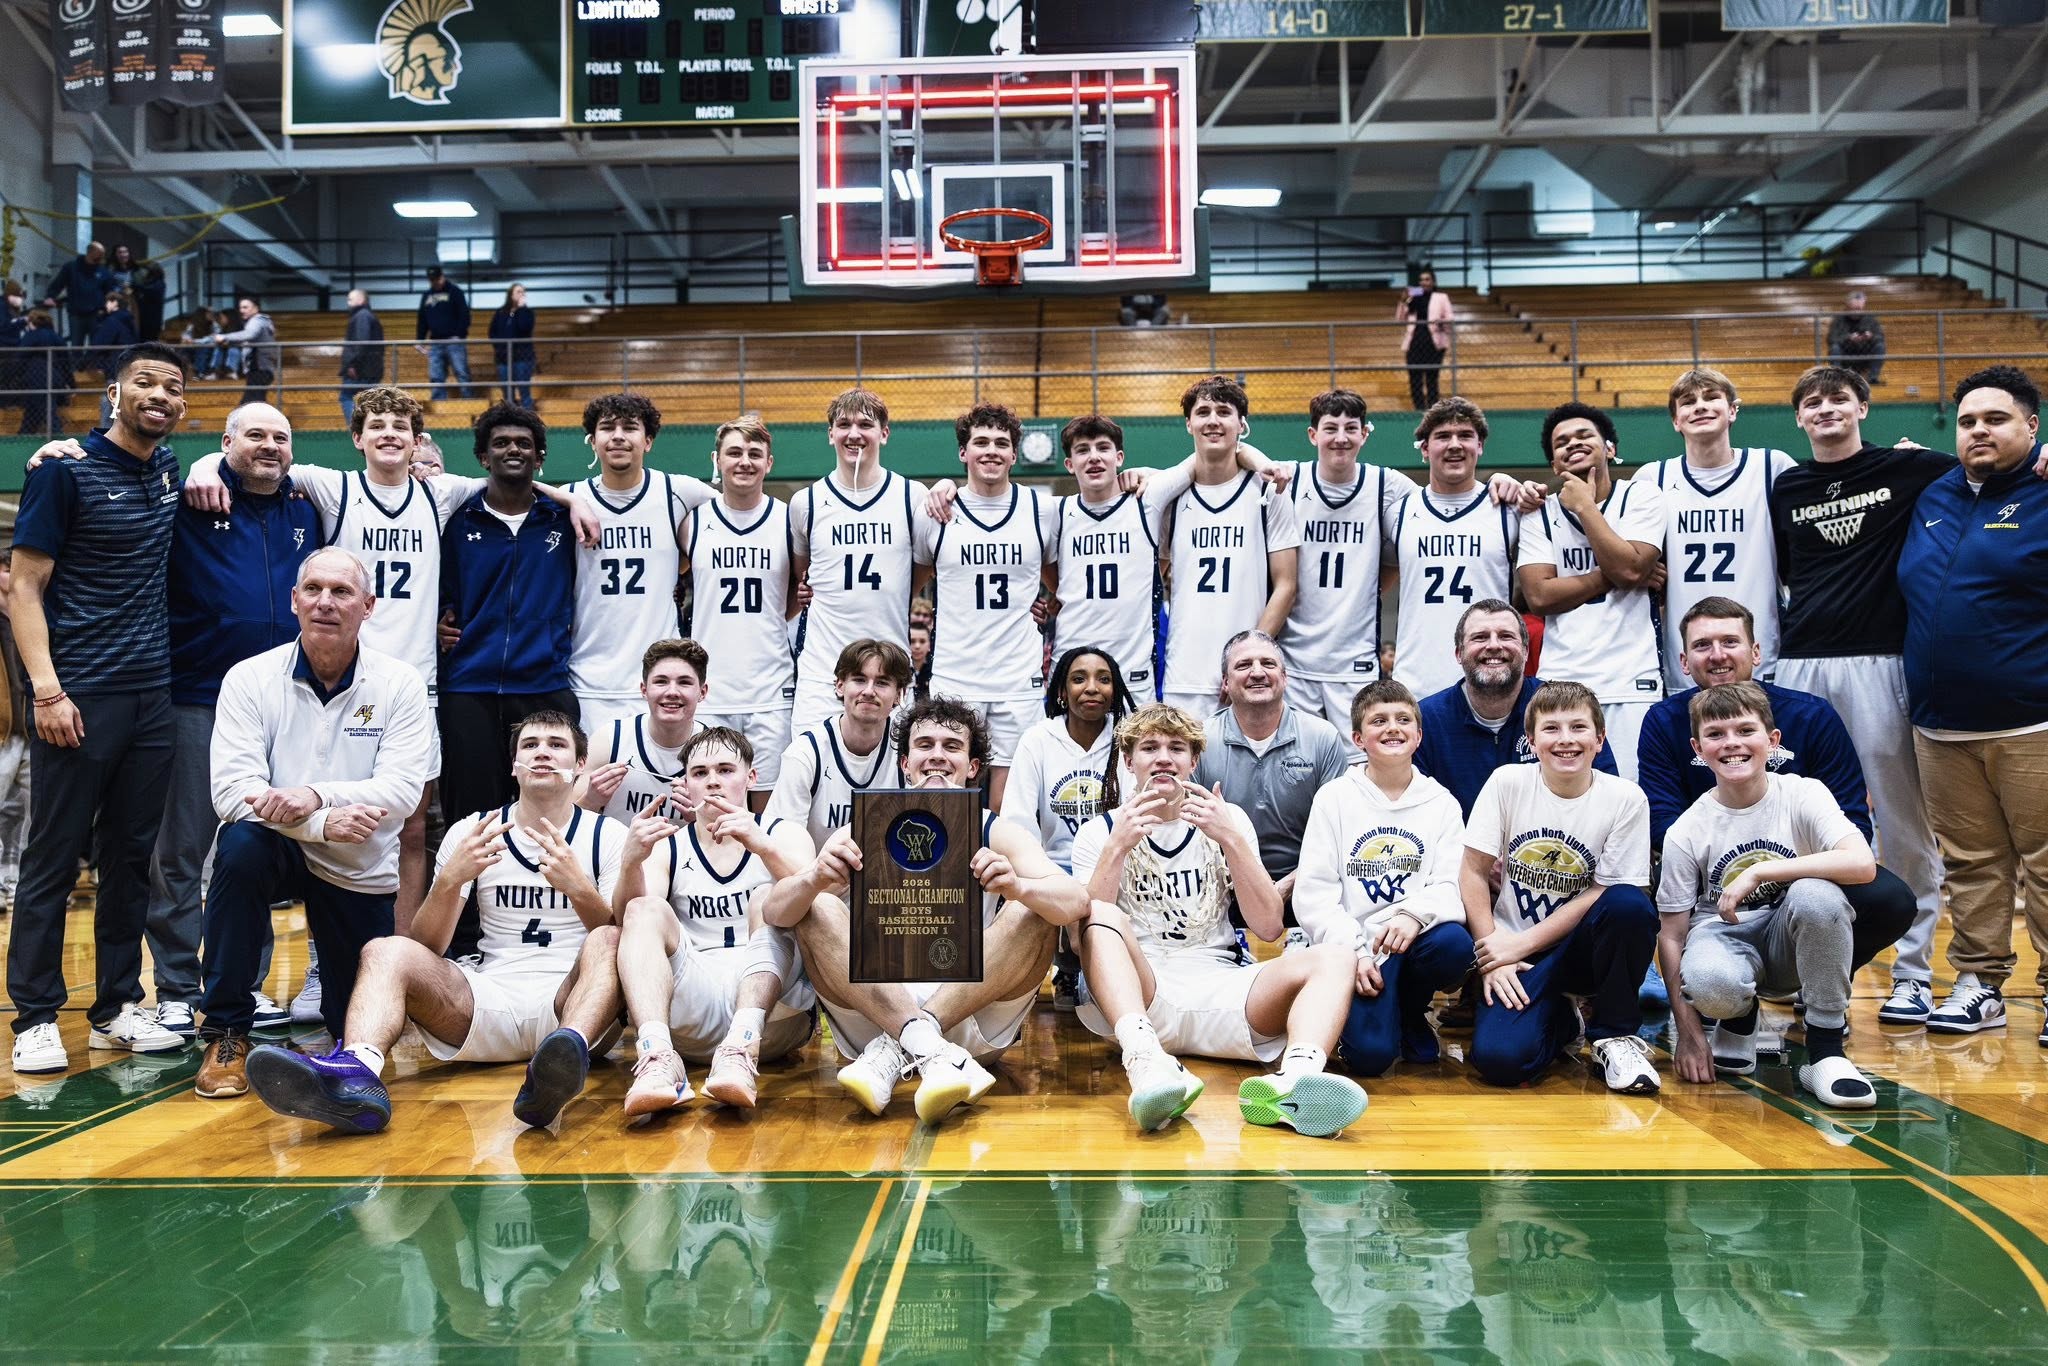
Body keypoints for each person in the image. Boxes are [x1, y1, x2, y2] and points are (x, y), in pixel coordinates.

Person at [242, 711, 626, 1133]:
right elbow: (427, 947)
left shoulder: (609, 836)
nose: (542, 754)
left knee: (612, 938)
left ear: (580, 764)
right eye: (530, 745)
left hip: (573, 1007)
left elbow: (618, 941)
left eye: (557, 745)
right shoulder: (473, 831)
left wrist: (578, 888)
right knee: (385, 950)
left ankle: (556, 1069)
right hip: (489, 999)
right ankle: (357, 1074)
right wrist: (449, 880)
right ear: (513, 764)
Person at [760, 697, 1090, 1124]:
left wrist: (1019, 887)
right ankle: (924, 1043)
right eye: (925, 744)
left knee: (1036, 909)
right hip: (875, 1010)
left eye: (952, 746)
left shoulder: (994, 829)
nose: (937, 755)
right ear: (905, 762)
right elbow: (776, 912)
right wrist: (815, 880)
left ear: (973, 767)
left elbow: (1076, 901)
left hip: (971, 1013)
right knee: (814, 903)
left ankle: (911, 1038)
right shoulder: (862, 826)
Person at [189, 549, 434, 1098]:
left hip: (358, 861)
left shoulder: (399, 684)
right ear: (296, 600)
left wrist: (314, 794)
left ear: (368, 607)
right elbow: (230, 792)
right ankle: (227, 1032)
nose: (326, 602)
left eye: (342, 592)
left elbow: (401, 790)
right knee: (240, 847)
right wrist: (321, 823)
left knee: (355, 1022)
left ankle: (346, 1042)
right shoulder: (250, 678)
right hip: (284, 843)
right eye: (314, 589)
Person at [7, 342, 189, 1074]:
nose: (160, 395)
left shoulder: (172, 470)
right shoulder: (62, 471)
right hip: (77, 696)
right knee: (53, 856)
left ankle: (116, 1006)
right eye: (145, 382)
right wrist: (47, 691)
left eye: (173, 388)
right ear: (115, 394)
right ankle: (36, 1017)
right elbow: (22, 589)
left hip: (152, 696)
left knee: (130, 859)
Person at [1071, 702, 1369, 1137]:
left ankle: (1296, 1082)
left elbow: (1268, 926)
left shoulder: (1229, 820)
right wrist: (1117, 848)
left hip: (1225, 989)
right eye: (1149, 747)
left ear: (1193, 761)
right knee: (1098, 913)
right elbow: (1085, 941)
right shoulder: (1100, 831)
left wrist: (1229, 836)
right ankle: (1146, 1067)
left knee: (1337, 957)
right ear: (1129, 760)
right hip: (1144, 995)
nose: (1163, 758)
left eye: (1177, 748)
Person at [1772, 364, 1953, 1026]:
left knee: (1903, 824)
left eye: (1837, 400)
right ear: (1799, 418)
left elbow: (1989, 469)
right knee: (1793, 822)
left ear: (1862, 408)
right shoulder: (1788, 486)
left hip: (1880, 662)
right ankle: (1808, 971)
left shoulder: (1910, 470)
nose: (1825, 410)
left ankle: (1912, 973)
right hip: (1800, 666)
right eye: (1812, 401)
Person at [148, 404, 321, 1038]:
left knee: (253, 847)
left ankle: (243, 986)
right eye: (256, 435)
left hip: (282, 704)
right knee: (183, 849)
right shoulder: (191, 496)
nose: (270, 446)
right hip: (198, 695)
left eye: (282, 435)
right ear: (226, 443)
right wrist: (53, 451)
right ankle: (173, 986)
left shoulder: (308, 505)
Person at [1899, 365, 2048, 1038]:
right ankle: (1980, 983)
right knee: (1971, 864)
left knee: (2045, 859)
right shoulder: (1933, 494)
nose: (1979, 430)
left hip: (2032, 719)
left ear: (2032, 427)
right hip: (1939, 726)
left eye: (1996, 419)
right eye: (1967, 421)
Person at [1657, 682, 1879, 1107]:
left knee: (1817, 894)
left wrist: (1761, 871)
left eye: (1745, 731)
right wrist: (1687, 1034)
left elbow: (1862, 863)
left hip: (1791, 940)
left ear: (1772, 741)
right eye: (1716, 734)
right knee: (1709, 982)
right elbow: (1671, 935)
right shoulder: (1686, 828)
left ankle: (1826, 1052)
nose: (1732, 744)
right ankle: (1739, 1020)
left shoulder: (1803, 792)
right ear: (1697, 748)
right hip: (1726, 939)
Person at [1460, 682, 1659, 1093]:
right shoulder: (1507, 782)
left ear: (1599, 739)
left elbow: (1605, 890)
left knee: (1628, 904)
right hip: (1512, 952)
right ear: (1531, 741)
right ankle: (1565, 1021)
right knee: (1501, 1062)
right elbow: (1472, 872)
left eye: (1578, 727)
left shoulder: (1625, 798)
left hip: (1581, 948)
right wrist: (1494, 953)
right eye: (1551, 729)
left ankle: (1613, 1035)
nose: (1565, 740)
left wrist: (1522, 943)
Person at [610, 727, 816, 1115]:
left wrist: (763, 847)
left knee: (768, 899)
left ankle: (742, 1042)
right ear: (686, 783)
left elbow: (816, 902)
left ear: (751, 777)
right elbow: (628, 924)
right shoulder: (669, 844)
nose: (713, 781)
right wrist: (630, 861)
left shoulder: (782, 831)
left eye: (725, 770)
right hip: (693, 1009)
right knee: (642, 909)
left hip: (773, 1017)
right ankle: (657, 1058)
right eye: (700, 772)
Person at [1294, 680, 1472, 1077]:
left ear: (1419, 735)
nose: (1392, 727)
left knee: (1454, 945)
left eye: (1403, 719)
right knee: (1370, 1058)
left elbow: (1449, 885)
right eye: (1379, 721)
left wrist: (1413, 915)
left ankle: (1410, 1008)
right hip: (1354, 948)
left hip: (1411, 941)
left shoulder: (1442, 803)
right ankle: (1370, 1014)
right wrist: (1353, 953)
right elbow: (1315, 894)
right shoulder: (1334, 798)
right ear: (1358, 738)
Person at [1045, 412, 1273, 701]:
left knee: (1138, 746)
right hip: (1071, 661)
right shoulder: (1055, 512)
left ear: (1119, 457)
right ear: (1069, 464)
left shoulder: (1147, 501)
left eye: (1103, 448)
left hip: (1133, 669)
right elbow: (1039, 560)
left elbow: (1212, 453)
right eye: (1082, 451)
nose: (1093, 458)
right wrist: (1058, 592)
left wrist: (1263, 464)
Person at [438, 403, 582, 836]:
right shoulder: (456, 519)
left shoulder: (564, 519)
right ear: (484, 457)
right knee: (471, 821)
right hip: (468, 687)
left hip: (544, 686)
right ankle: (468, 906)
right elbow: (433, 588)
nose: (512, 450)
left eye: (524, 444)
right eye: (501, 443)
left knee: (547, 819)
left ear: (539, 457)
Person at [913, 403, 1058, 806]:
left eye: (1002, 443)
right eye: (980, 442)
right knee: (947, 791)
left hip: (1018, 677)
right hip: (956, 673)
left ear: (1015, 454)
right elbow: (907, 585)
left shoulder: (1041, 510)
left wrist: (1047, 608)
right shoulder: (937, 512)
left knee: (1010, 803)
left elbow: (1063, 584)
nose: (991, 450)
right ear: (963, 452)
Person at [1516, 403, 1664, 778]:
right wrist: (1619, 572)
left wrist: (1585, 506)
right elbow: (1539, 596)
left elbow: (1631, 566)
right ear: (1554, 464)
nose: (1573, 444)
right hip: (1562, 678)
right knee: (1564, 796)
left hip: (1632, 678)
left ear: (1610, 449)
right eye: (1561, 442)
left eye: (1584, 436)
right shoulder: (1539, 512)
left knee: (1633, 797)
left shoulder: (1642, 496)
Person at [558, 393, 712, 734]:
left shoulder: (679, 491)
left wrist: (682, 565)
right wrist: (566, 497)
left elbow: (738, 515)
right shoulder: (571, 498)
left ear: (648, 440)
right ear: (592, 440)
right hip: (589, 678)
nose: (618, 436)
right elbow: (517, 489)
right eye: (607, 427)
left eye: (630, 428)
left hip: (660, 680)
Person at [788, 388, 930, 730]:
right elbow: (802, 576)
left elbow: (922, 572)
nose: (854, 434)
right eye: (844, 424)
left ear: (883, 433)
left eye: (865, 424)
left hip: (889, 672)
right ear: (831, 434)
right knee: (810, 771)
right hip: (822, 670)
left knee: (890, 778)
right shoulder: (805, 502)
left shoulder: (913, 497)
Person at [1642, 369, 1793, 689]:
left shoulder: (1772, 467)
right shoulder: (1652, 478)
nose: (1700, 406)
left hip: (1761, 650)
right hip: (1683, 657)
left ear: (1733, 411)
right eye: (1688, 402)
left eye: (1711, 397)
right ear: (1675, 420)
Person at [1160, 375, 1301, 715]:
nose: (1213, 420)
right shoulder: (1170, 495)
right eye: (1203, 411)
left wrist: (1249, 658)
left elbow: (1286, 585)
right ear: (1189, 424)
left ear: (1242, 425)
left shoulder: (1270, 490)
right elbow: (1151, 575)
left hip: (1248, 677)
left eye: (1223, 412)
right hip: (1184, 672)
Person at [685, 415, 797, 811]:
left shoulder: (789, 519)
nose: (744, 461)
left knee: (767, 808)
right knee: (707, 805)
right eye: (734, 452)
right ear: (717, 460)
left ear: (769, 463)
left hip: (770, 688)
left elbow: (800, 591)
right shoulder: (693, 522)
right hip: (712, 689)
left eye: (755, 454)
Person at [1413, 601, 1618, 817]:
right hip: (1457, 847)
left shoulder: (1565, 707)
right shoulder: (1427, 720)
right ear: (1458, 654)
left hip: (1555, 846)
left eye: (1506, 636)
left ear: (1526, 651)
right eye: (1480, 637)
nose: (1493, 645)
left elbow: (1607, 793)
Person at [1192, 631, 1349, 904]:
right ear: (1226, 684)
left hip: (1309, 887)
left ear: (1285, 678)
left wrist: (1289, 886)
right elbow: (1188, 835)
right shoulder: (1199, 741)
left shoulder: (1323, 737)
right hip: (1221, 891)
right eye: (1243, 665)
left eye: (1268, 663)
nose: (1257, 673)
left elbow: (1341, 835)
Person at [1388, 399, 1521, 701]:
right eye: (1443, 436)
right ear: (1424, 448)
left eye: (1464, 435)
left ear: (1480, 445)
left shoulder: (1509, 509)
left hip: (1490, 676)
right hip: (1415, 678)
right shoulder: (1398, 512)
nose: (1454, 444)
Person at [1001, 647, 1137, 872]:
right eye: (1078, 679)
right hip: (1054, 870)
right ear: (1062, 692)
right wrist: (1039, 875)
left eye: (1103, 679)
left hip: (1117, 867)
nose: (1092, 688)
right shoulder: (1037, 740)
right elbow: (1018, 823)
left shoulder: (1128, 740)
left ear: (1114, 690)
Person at [765, 639, 910, 848]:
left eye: (882, 682)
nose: (869, 691)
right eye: (859, 680)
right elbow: (780, 845)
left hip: (888, 878)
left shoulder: (910, 751)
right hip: (817, 876)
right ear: (840, 686)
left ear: (899, 694)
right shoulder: (805, 753)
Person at [578, 639, 705, 826]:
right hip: (617, 855)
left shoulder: (718, 750)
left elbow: (737, 840)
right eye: (661, 682)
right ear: (644, 690)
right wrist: (591, 800)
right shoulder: (611, 739)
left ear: (702, 692)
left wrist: (701, 819)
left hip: (688, 856)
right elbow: (568, 824)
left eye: (684, 683)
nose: (672, 692)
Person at [0, 551, 27, 908]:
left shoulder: (33, 618)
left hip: (34, 730)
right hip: (3, 732)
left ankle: (15, 882)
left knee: (30, 817)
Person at [1396, 266, 1453, 411]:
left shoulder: (1441, 297)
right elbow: (1400, 319)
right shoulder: (1413, 296)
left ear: (1433, 282)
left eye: (1427, 279)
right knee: (1414, 378)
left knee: (1432, 378)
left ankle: (1433, 411)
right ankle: (1419, 409)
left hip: (1434, 342)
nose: (1424, 282)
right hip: (1415, 341)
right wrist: (1403, 301)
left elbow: (1450, 317)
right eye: (1421, 280)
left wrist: (1440, 321)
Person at [416, 265, 473, 401]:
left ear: (442, 277)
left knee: (461, 372)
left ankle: (468, 400)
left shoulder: (455, 292)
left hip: (454, 341)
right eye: (432, 280)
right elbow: (422, 319)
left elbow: (464, 315)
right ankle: (438, 402)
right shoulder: (426, 296)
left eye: (436, 279)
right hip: (436, 341)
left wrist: (459, 335)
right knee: (436, 375)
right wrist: (420, 340)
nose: (434, 282)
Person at [213, 295, 280, 405]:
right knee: (255, 402)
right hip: (259, 368)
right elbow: (249, 339)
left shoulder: (257, 321)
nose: (241, 310)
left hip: (259, 368)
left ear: (255, 308)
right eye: (240, 308)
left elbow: (249, 334)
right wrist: (230, 341)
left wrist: (225, 337)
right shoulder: (261, 321)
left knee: (250, 403)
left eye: (245, 307)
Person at [42, 240, 107, 347]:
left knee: (97, 345)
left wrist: (105, 307)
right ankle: (77, 364)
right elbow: (58, 283)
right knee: (76, 345)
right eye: (99, 255)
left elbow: (109, 290)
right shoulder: (71, 268)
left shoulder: (103, 271)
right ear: (90, 252)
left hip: (96, 314)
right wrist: (50, 296)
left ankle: (93, 364)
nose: (101, 258)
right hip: (76, 313)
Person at [339, 289, 384, 427]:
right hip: (370, 368)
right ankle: (369, 428)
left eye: (350, 299)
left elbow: (360, 342)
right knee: (370, 400)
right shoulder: (366, 315)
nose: (348, 303)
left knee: (347, 396)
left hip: (362, 369)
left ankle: (358, 429)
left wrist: (352, 364)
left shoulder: (361, 316)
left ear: (361, 300)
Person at [489, 283, 536, 406]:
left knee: (524, 390)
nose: (522, 294)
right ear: (511, 294)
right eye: (518, 292)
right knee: (507, 392)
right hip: (503, 358)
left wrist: (521, 309)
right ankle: (510, 418)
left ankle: (528, 420)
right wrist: (499, 348)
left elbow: (525, 327)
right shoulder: (500, 312)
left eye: (523, 292)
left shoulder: (527, 313)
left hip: (522, 358)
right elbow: (492, 332)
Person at [15, 310, 61, 435]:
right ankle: (24, 434)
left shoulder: (31, 336)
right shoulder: (55, 336)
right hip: (53, 377)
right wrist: (70, 383)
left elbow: (19, 357)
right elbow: (65, 360)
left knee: (45, 413)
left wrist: (17, 376)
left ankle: (56, 436)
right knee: (35, 411)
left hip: (33, 378)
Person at [1827, 290, 1885, 384]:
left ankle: (1873, 378)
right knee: (1834, 348)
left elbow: (1880, 337)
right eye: (1854, 308)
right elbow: (1831, 339)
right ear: (1848, 305)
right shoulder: (1838, 319)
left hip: (1865, 353)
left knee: (1880, 346)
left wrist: (1870, 336)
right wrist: (1848, 338)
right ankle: (1837, 379)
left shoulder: (1870, 319)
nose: (1857, 310)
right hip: (1845, 354)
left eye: (1859, 308)